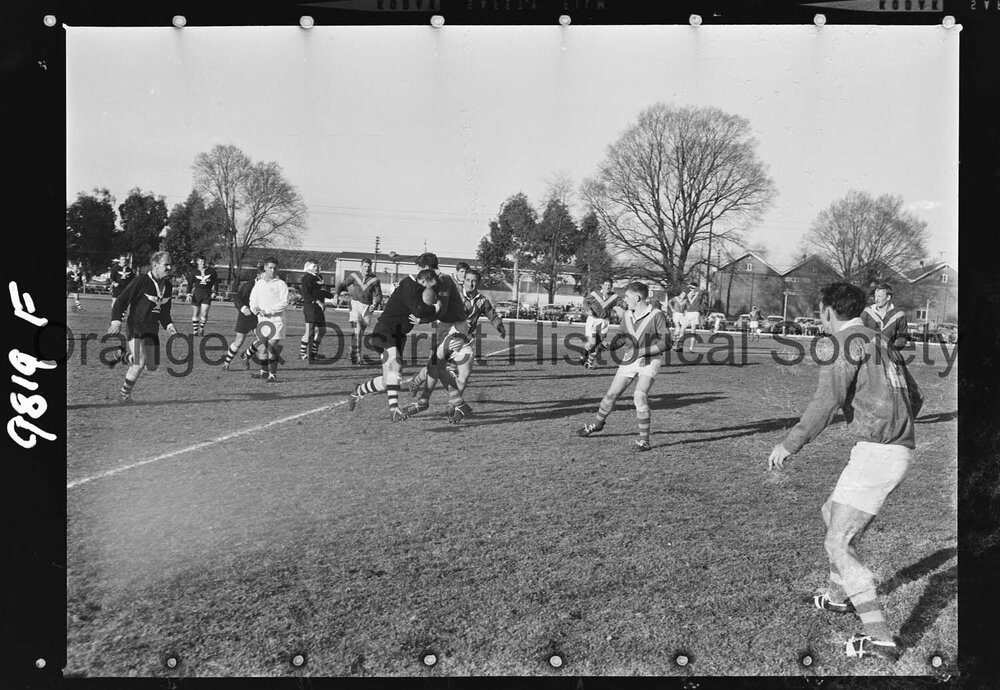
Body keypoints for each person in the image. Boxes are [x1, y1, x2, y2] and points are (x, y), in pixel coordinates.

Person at [766, 282, 924, 662]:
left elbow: (827, 401)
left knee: (837, 543)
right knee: (829, 513)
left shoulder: (844, 341)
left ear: (826, 311)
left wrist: (789, 444)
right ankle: (838, 600)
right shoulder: (878, 337)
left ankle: (881, 638)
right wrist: (894, 425)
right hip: (884, 450)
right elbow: (916, 396)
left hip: (878, 453)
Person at [577, 281, 670, 452]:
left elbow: (666, 343)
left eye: (626, 297)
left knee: (639, 395)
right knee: (611, 394)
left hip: (650, 359)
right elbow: (621, 337)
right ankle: (597, 424)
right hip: (630, 358)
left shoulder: (657, 315)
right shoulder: (627, 315)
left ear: (638, 297)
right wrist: (609, 345)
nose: (624, 300)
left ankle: (644, 441)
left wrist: (642, 352)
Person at [405, 268, 507, 417]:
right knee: (434, 366)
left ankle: (453, 405)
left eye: (474, 281)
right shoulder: (454, 293)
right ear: (463, 281)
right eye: (467, 280)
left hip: (465, 339)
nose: (470, 284)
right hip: (447, 333)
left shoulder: (482, 301)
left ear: (478, 283)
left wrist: (500, 326)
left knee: (463, 374)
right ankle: (417, 381)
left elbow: (492, 315)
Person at [346, 268, 441, 421]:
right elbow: (419, 310)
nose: (432, 289)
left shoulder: (417, 288)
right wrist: (435, 307)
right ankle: (394, 410)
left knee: (387, 381)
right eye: (431, 285)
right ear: (423, 280)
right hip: (385, 331)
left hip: (398, 336)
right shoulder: (408, 286)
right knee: (396, 365)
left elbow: (425, 314)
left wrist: (431, 311)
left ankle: (358, 390)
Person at [400, 253, 475, 423]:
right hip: (444, 327)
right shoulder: (430, 283)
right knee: (435, 365)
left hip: (456, 328)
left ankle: (425, 401)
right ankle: (456, 405)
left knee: (436, 363)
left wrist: (422, 319)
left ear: (427, 268)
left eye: (420, 269)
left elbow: (441, 309)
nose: (418, 274)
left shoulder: (444, 280)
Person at [104, 251, 178, 403]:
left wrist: (169, 325)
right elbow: (121, 300)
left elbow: (165, 311)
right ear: (155, 265)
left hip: (152, 329)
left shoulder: (168, 286)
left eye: (170, 264)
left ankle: (123, 355)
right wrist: (116, 321)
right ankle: (124, 395)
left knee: (152, 366)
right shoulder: (142, 280)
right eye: (166, 264)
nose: (169, 267)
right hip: (136, 325)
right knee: (140, 362)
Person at [248, 257, 289, 383]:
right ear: (265, 268)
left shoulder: (281, 284)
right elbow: (253, 299)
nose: (272, 270)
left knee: (271, 347)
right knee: (262, 349)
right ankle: (264, 372)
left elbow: (285, 303)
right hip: (262, 321)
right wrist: (254, 308)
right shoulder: (259, 283)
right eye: (270, 267)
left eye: (275, 268)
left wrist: (269, 311)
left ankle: (273, 374)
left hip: (276, 321)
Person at [337, 258, 383, 365]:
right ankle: (357, 357)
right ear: (361, 267)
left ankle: (351, 350)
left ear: (371, 267)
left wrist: (375, 304)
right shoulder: (354, 276)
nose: (366, 269)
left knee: (360, 333)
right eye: (365, 266)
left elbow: (378, 294)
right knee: (357, 331)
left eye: (368, 267)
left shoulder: (375, 280)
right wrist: (336, 295)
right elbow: (342, 285)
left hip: (367, 308)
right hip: (355, 305)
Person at [221, 264, 264, 370]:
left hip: (259, 317)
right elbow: (237, 299)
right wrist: (244, 308)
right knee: (239, 340)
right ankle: (226, 363)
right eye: (265, 274)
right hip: (246, 316)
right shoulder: (248, 285)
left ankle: (246, 355)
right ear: (258, 275)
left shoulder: (269, 287)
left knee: (263, 340)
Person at [579, 279, 621, 368]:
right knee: (592, 343)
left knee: (598, 345)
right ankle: (583, 355)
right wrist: (588, 310)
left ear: (612, 286)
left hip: (604, 322)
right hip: (593, 320)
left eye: (609, 285)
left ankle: (589, 363)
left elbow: (622, 304)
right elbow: (585, 302)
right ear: (602, 286)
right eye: (606, 285)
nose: (607, 287)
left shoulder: (614, 297)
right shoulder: (595, 294)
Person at [299, 260, 336, 362]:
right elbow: (306, 294)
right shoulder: (307, 278)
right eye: (314, 266)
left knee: (322, 330)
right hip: (310, 306)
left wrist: (333, 296)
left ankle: (313, 352)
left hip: (318, 308)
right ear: (309, 267)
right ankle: (302, 353)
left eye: (318, 266)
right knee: (310, 331)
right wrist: (318, 301)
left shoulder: (319, 277)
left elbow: (320, 291)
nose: (317, 267)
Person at [860, 283, 908, 351]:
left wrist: (894, 348)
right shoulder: (866, 313)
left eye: (879, 296)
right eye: (875, 296)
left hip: (889, 354)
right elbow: (859, 332)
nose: (876, 299)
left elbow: (903, 336)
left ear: (888, 297)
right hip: (868, 354)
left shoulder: (899, 315)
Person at [185, 255, 219, 336]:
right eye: (200, 261)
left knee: (204, 313)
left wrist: (215, 292)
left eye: (203, 261)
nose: (202, 263)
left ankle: (201, 328)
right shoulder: (194, 272)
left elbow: (216, 283)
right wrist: (188, 294)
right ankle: (195, 331)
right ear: (197, 262)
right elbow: (190, 284)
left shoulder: (212, 271)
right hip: (197, 293)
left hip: (207, 293)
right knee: (196, 313)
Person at [678, 283, 704, 352]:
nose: (691, 289)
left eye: (692, 288)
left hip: (695, 312)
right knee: (682, 329)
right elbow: (680, 297)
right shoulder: (689, 293)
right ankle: (680, 346)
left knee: (693, 331)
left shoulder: (698, 293)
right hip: (688, 313)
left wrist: (691, 286)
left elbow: (700, 290)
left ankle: (691, 348)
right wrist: (687, 289)